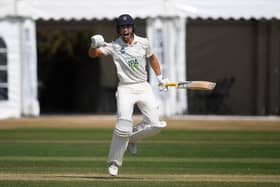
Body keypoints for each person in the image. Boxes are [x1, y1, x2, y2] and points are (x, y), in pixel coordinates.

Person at [88, 14, 168, 176]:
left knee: (155, 125)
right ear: (119, 29)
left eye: (128, 27)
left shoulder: (143, 42)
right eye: (122, 27)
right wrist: (92, 44)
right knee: (123, 124)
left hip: (143, 87)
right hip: (126, 88)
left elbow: (152, 58)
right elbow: (93, 54)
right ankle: (114, 163)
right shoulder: (114, 46)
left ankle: (132, 138)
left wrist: (160, 78)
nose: (125, 29)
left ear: (132, 28)